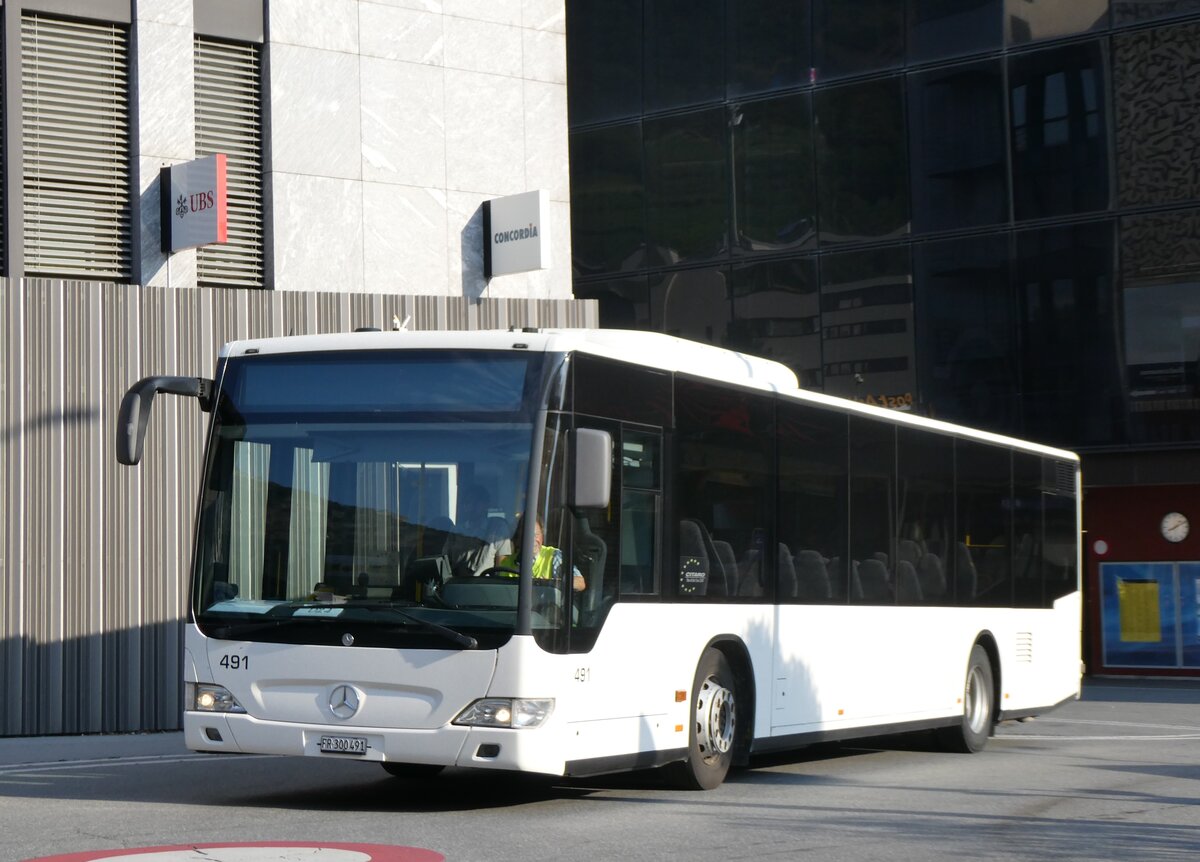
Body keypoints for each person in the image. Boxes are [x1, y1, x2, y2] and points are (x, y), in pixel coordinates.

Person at [498, 513, 585, 593]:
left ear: (542, 536)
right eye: (525, 535)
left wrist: (552, 583)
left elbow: (580, 583)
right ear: (518, 538)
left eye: (536, 535)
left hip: (547, 607)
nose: (532, 540)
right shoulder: (506, 564)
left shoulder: (554, 556)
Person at [442, 484, 512, 577]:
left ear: (486, 505)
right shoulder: (456, 531)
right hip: (457, 586)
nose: (471, 507)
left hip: (485, 587)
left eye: (476, 503)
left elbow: (502, 568)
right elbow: (444, 563)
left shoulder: (497, 529)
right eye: (467, 503)